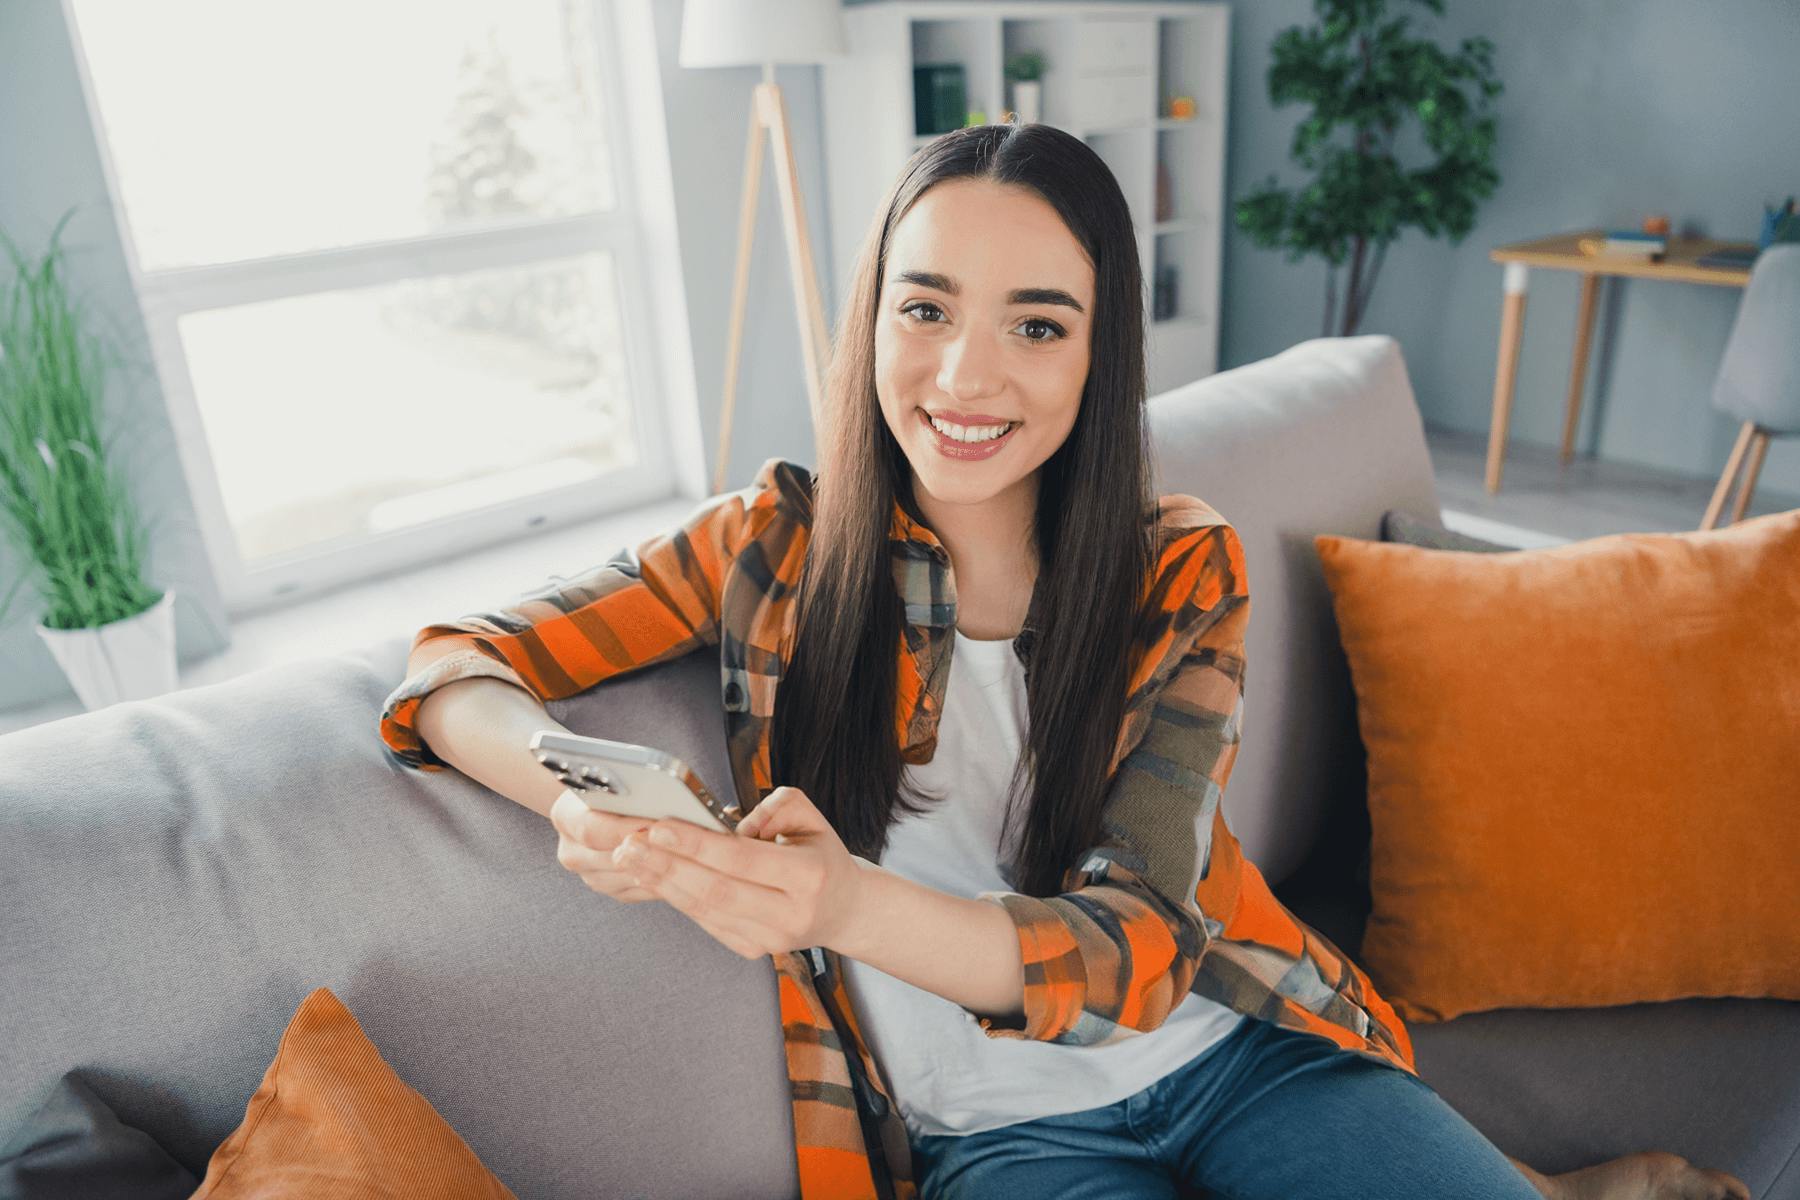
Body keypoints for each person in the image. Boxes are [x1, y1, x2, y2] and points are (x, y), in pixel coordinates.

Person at [378, 123, 1752, 1200]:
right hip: (997, 1138)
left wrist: (832, 906)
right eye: (924, 310)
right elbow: (451, 666)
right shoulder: (764, 547)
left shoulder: (1177, 563)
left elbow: (1144, 950)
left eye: (1037, 325)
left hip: (1236, 1049)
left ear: (1099, 358)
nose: (967, 376)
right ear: (869, 323)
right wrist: (574, 801)